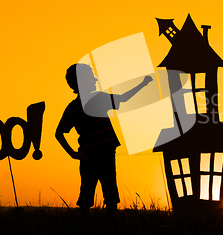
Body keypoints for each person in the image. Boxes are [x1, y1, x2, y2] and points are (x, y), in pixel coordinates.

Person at [55, 63, 152, 221]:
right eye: (90, 76)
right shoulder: (76, 106)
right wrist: (73, 153)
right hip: (90, 156)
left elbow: (124, 98)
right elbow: (59, 132)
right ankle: (88, 227)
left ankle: (109, 226)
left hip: (106, 154)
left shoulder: (97, 99)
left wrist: (142, 84)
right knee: (89, 192)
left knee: (109, 192)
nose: (95, 79)